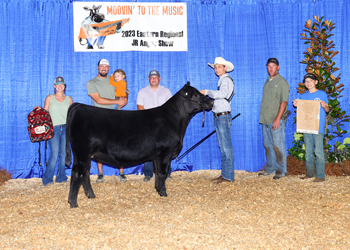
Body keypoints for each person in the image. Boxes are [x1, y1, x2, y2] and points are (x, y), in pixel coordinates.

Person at [86, 59, 127, 183]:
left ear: (109, 68)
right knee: (99, 146)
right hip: (99, 117)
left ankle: (121, 172)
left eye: (106, 66)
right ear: (97, 67)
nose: (104, 68)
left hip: (116, 116)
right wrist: (116, 102)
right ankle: (100, 173)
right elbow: (98, 100)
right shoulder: (91, 83)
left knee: (120, 143)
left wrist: (123, 99)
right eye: (101, 66)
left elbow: (124, 94)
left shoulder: (115, 79)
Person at [200, 57, 235, 184]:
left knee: (226, 147)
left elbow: (223, 94)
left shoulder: (226, 80)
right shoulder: (222, 80)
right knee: (223, 146)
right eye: (215, 67)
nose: (217, 69)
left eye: (219, 67)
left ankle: (229, 176)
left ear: (225, 68)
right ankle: (225, 174)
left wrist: (207, 92)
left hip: (223, 117)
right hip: (219, 116)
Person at [292, 73, 329, 182]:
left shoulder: (322, 94)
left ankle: (320, 175)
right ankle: (309, 173)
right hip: (307, 127)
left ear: (316, 82)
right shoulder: (303, 96)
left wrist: (325, 106)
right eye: (306, 81)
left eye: (310, 81)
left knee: (318, 151)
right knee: (308, 151)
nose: (308, 83)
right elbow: (303, 111)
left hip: (318, 127)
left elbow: (327, 110)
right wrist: (297, 105)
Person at [137, 70, 172, 182]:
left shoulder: (166, 91)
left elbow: (171, 108)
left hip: (163, 125)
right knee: (148, 148)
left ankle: (166, 172)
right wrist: (150, 120)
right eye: (152, 77)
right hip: (148, 124)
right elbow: (140, 107)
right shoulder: (142, 91)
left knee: (165, 149)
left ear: (159, 79)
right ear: (149, 79)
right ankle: (148, 173)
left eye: (156, 77)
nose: (153, 79)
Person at [259, 58, 290, 180]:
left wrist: (277, 119)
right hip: (266, 119)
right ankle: (270, 168)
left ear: (278, 67)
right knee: (268, 145)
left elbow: (284, 102)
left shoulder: (282, 82)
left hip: (276, 120)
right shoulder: (267, 82)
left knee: (278, 145)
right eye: (268, 66)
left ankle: (280, 170)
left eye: (273, 66)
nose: (270, 68)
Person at [42, 76, 73, 186]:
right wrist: (38, 110)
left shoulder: (69, 99)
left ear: (64, 86)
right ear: (54, 86)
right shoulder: (49, 98)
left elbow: (71, 115)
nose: (60, 86)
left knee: (63, 153)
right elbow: (44, 114)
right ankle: (47, 179)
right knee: (54, 154)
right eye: (58, 84)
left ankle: (62, 177)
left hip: (65, 128)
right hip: (53, 128)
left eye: (62, 84)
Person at [109, 69, 128, 181]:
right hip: (119, 98)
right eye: (115, 76)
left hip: (118, 99)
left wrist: (111, 77)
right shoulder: (123, 83)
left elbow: (112, 83)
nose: (116, 78)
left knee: (112, 112)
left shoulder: (120, 82)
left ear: (123, 76)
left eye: (118, 76)